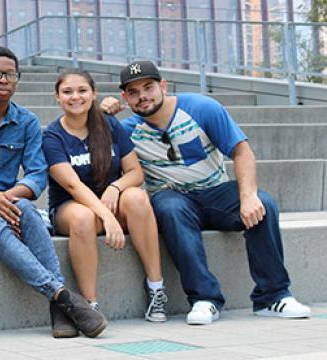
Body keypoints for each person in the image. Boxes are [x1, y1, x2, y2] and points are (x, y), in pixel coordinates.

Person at [100, 60, 311, 325]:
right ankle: (204, 299)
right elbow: (88, 138)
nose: (142, 96)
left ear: (163, 86)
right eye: (133, 92)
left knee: (264, 205)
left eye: (148, 87)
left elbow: (241, 151)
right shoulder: (127, 130)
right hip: (172, 197)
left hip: (215, 193)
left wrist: (248, 196)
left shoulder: (201, 108)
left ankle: (273, 297)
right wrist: (101, 113)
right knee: (169, 207)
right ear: (125, 98)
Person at [0, 46, 107, 339]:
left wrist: (8, 197)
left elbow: (37, 174)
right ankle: (62, 297)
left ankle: (59, 308)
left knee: (28, 211)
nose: (4, 80)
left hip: (11, 201)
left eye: (10, 74)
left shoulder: (26, 121)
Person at [43, 68, 167, 323]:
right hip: (72, 208)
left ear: (93, 94)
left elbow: (135, 172)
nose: (75, 97)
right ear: (57, 97)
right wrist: (106, 216)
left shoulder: (109, 124)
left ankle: (156, 290)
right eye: (67, 92)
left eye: (82, 90)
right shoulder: (52, 136)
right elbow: (74, 187)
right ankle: (90, 305)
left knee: (137, 197)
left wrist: (115, 188)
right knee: (83, 217)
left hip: (112, 204)